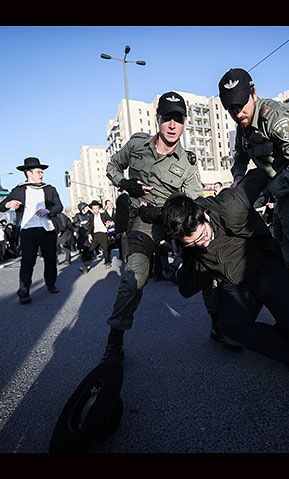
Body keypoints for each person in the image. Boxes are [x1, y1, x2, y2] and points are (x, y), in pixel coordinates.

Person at [162, 168, 289, 366]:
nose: (201, 244)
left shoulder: (232, 206)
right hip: (236, 284)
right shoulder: (184, 236)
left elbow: (259, 174)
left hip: (265, 269)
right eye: (192, 243)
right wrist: (178, 243)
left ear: (205, 216)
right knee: (232, 330)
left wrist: (242, 179)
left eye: (202, 235)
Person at [102, 91, 204, 361]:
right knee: (133, 278)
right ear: (157, 119)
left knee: (209, 264)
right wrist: (123, 183)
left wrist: (174, 216)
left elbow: (197, 202)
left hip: (171, 225)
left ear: (185, 122)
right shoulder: (137, 145)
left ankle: (220, 324)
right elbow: (113, 165)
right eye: (167, 118)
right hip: (141, 226)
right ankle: (115, 341)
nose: (172, 125)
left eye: (178, 119)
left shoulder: (187, 163)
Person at [218, 68, 289, 297]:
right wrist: (238, 176)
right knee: (283, 259)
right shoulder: (243, 127)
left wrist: (269, 191)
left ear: (254, 93)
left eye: (241, 105)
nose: (238, 114)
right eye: (231, 109)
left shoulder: (276, 118)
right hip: (284, 193)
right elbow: (240, 156)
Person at [0, 157, 63, 305]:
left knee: (51, 259)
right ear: (28, 173)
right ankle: (24, 291)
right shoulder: (19, 189)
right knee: (28, 261)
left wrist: (48, 210)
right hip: (28, 231)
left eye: (42, 172)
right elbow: (1, 206)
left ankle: (51, 283)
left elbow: (59, 206)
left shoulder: (49, 188)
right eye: (38, 172)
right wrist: (8, 203)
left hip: (47, 229)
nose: (41, 174)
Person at [80, 200, 112, 272]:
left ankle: (107, 261)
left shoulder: (103, 214)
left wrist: (108, 222)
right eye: (94, 208)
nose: (95, 210)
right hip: (95, 235)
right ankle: (86, 266)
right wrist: (89, 234)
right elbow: (90, 226)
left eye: (96, 208)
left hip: (103, 234)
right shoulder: (91, 216)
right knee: (91, 250)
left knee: (105, 249)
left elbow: (110, 220)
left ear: (99, 208)